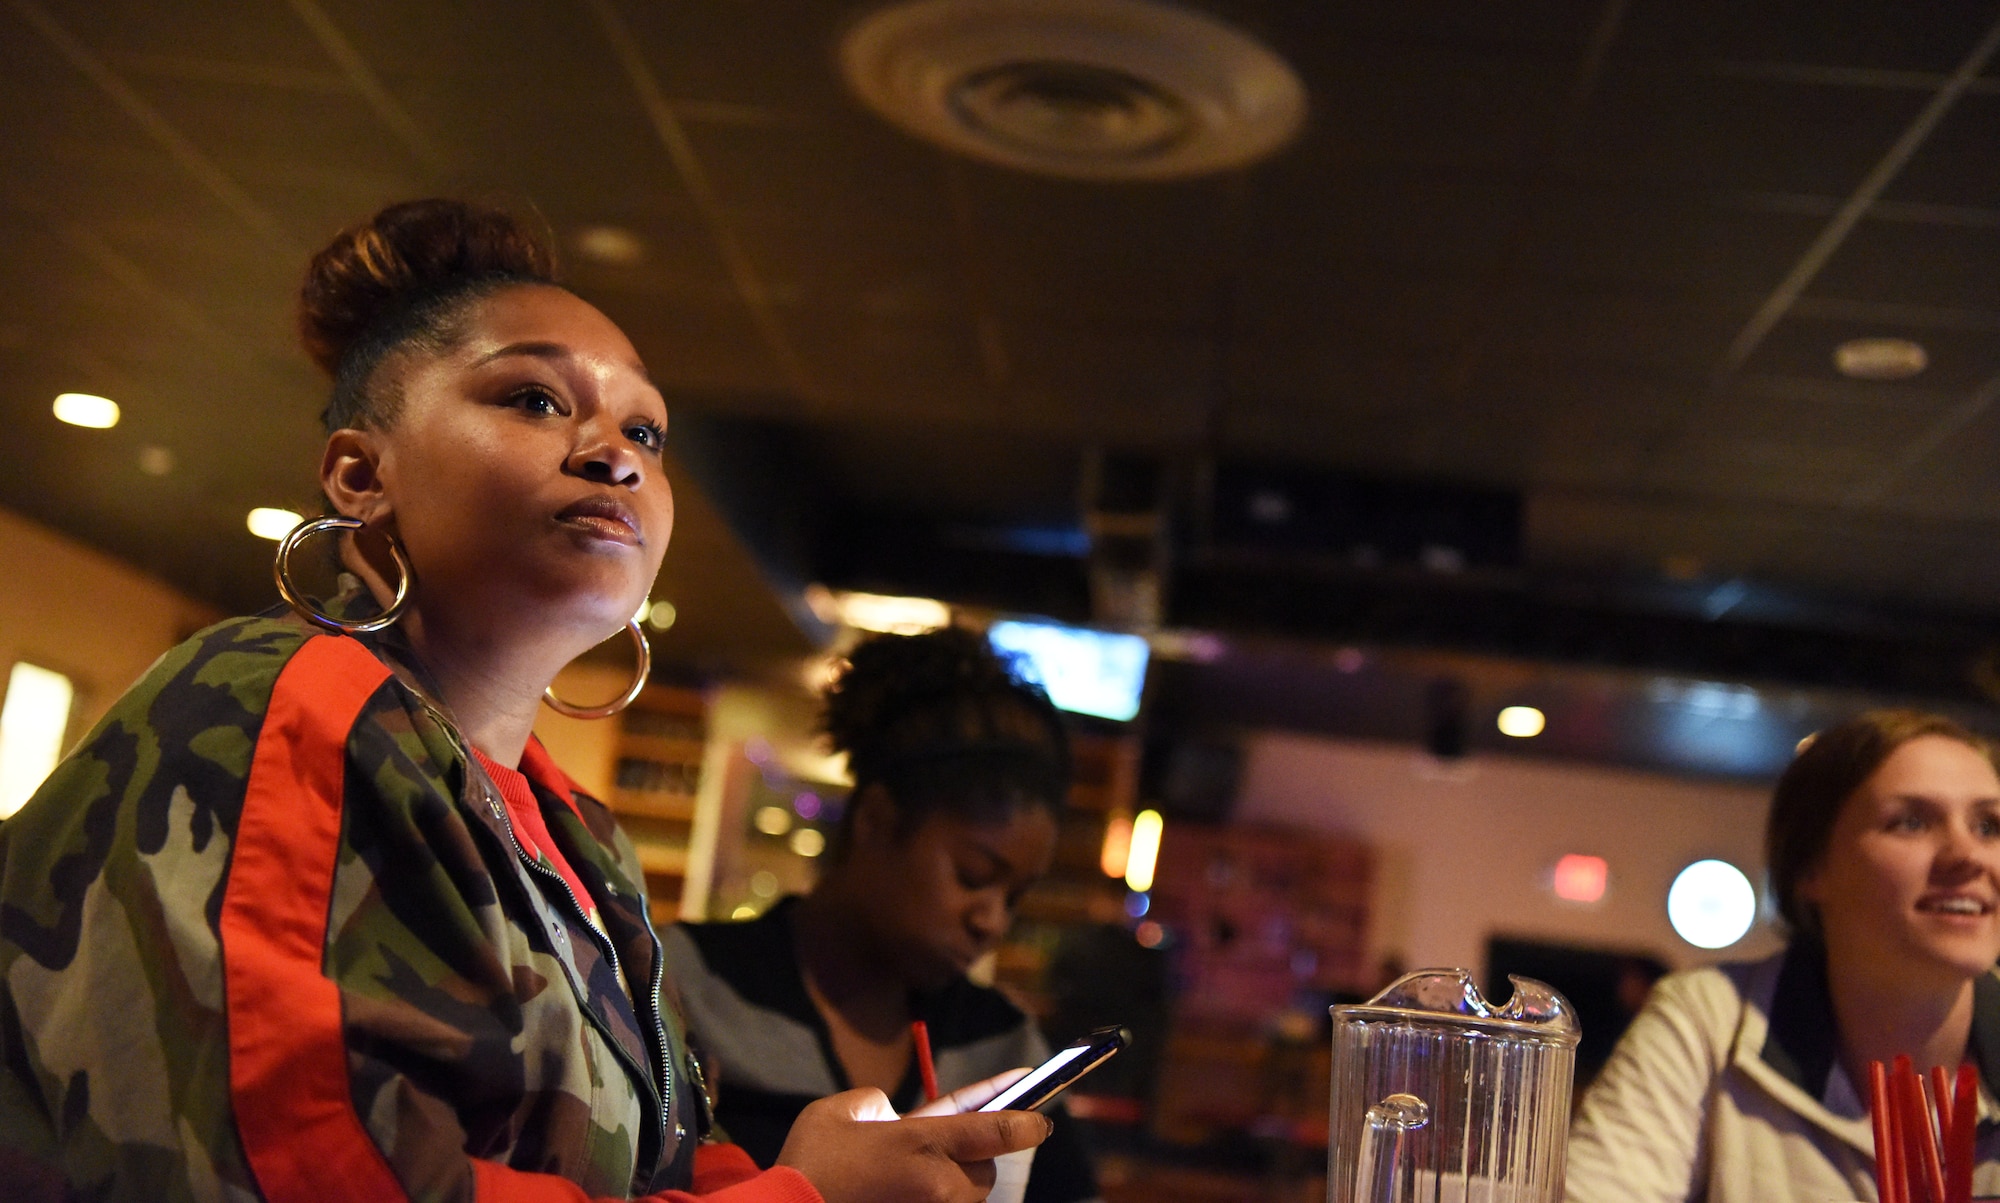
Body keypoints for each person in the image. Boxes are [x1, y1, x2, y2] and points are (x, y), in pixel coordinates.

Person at [0, 199, 1048, 1203]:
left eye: (647, 432)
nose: (613, 455)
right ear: (362, 476)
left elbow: (644, 1165)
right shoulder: (285, 702)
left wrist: (806, 1174)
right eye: (534, 400)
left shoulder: (577, 838)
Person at [662, 628, 1102, 1203]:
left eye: (1015, 897)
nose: (992, 921)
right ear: (875, 820)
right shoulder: (683, 982)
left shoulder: (1000, 1043)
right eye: (973, 876)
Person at [1566, 709, 2000, 1203]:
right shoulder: (1711, 1022)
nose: (1970, 856)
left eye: (1988, 825)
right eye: (1912, 822)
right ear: (1811, 868)